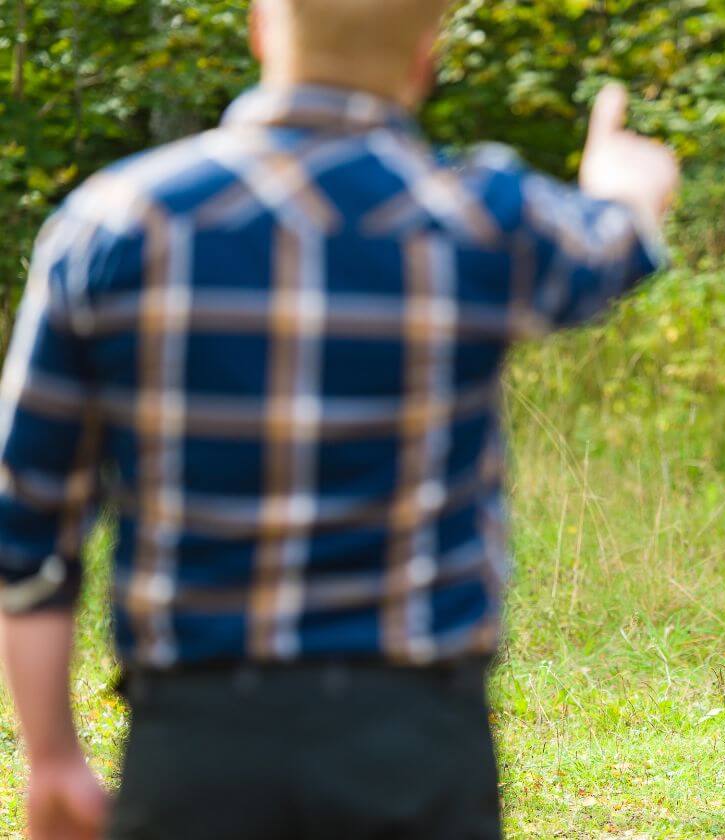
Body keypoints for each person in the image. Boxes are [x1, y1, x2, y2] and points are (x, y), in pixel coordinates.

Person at [0, 0, 679, 836]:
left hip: (196, 741)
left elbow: (26, 515)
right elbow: (613, 245)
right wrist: (629, 185)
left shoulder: (115, 223)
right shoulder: (484, 219)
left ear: (258, 31)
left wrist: (53, 757)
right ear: (426, 57)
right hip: (414, 738)